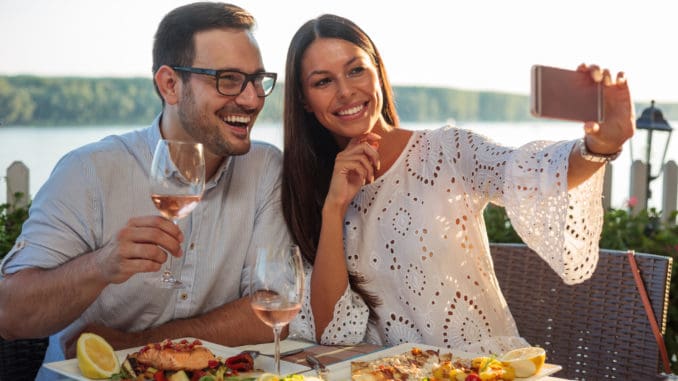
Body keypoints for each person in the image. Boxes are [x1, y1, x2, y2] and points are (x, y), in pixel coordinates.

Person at [283, 14, 635, 354]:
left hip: (484, 369)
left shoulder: (446, 151)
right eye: (323, 81)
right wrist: (334, 208)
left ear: (377, 71)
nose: (345, 91)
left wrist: (600, 146)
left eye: (356, 69)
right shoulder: (314, 188)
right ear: (304, 99)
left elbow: (530, 173)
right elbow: (331, 333)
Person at [0, 2, 289, 378]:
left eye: (257, 80)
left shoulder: (265, 168)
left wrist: (141, 344)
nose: (252, 99)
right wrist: (101, 266)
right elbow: (9, 316)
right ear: (170, 84)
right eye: (228, 79)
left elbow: (270, 311)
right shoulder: (88, 171)